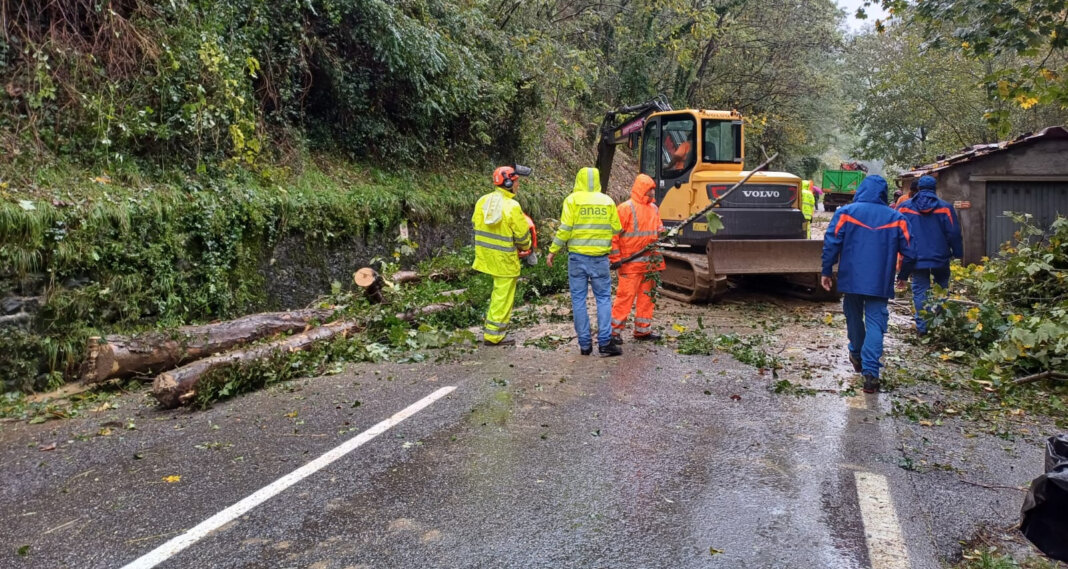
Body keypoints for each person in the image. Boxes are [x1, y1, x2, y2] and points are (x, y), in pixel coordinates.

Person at [821, 175, 915, 393]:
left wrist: (826, 270)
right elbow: (910, 251)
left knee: (853, 315)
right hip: (879, 280)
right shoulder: (896, 217)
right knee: (876, 322)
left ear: (861, 190)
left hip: (851, 277)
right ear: (883, 193)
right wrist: (904, 275)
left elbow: (831, 242)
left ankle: (855, 352)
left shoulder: (845, 213)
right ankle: (871, 374)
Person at [547, 167, 623, 356]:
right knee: (603, 299)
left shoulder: (572, 200)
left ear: (578, 180)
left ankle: (585, 345)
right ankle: (605, 343)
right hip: (600, 259)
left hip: (577, 258)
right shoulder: (607, 202)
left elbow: (565, 229)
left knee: (579, 300)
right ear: (597, 180)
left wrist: (553, 251)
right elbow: (617, 229)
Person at [472, 166, 533, 346]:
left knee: (497, 292)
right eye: (516, 182)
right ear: (508, 183)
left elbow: (476, 223)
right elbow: (522, 236)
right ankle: (494, 335)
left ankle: (492, 329)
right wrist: (527, 247)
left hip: (485, 256)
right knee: (502, 296)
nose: (518, 186)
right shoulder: (512, 206)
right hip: (504, 259)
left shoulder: (482, 201)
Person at [896, 175, 963, 335]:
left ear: (918, 188)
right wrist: (958, 254)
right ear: (935, 188)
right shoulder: (946, 208)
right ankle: (936, 321)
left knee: (920, 290)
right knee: (941, 288)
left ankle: (923, 327)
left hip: (916, 258)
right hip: (941, 257)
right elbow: (954, 233)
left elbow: (897, 232)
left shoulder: (905, 208)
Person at [609, 174, 665, 343]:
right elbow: (614, 236)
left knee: (647, 299)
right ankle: (614, 332)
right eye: (650, 191)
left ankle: (642, 330)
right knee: (625, 298)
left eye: (653, 191)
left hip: (650, 264)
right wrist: (615, 258)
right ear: (642, 190)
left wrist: (667, 234)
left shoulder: (654, 209)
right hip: (630, 265)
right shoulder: (625, 208)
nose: (653, 194)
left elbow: (659, 230)